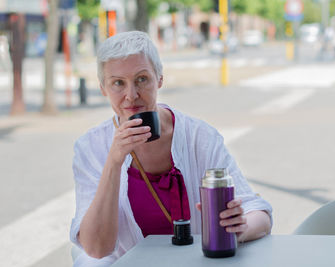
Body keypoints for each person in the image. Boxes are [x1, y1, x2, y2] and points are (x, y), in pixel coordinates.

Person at [70, 31, 272, 266]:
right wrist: (114, 161)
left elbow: (259, 213)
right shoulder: (90, 147)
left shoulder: (199, 136)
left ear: (160, 79)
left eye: (142, 79)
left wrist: (239, 229)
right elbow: (96, 248)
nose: (131, 95)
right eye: (118, 83)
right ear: (103, 88)